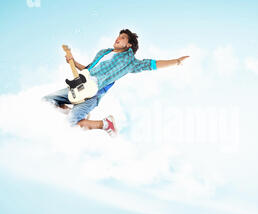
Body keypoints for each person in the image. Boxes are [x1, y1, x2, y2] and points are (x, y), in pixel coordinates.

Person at [42, 29, 189, 136]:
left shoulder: (129, 61)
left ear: (129, 44)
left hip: (93, 93)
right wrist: (73, 62)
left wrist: (176, 61)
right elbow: (88, 69)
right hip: (78, 87)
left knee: (70, 124)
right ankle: (74, 113)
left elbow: (152, 64)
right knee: (46, 101)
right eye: (118, 36)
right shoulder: (103, 52)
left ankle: (105, 124)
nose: (118, 39)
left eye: (123, 38)